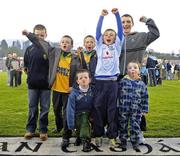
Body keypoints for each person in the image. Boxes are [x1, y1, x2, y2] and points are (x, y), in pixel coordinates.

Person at [91, 8, 123, 148]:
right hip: (99, 82)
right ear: (103, 38)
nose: (109, 36)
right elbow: (97, 31)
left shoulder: (117, 46)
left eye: (111, 34)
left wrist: (117, 15)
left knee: (112, 110)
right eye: (106, 34)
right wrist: (101, 17)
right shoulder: (99, 46)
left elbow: (120, 30)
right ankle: (98, 135)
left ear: (115, 38)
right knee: (97, 108)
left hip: (112, 83)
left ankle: (112, 136)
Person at [22, 24, 51, 141]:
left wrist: (29, 34)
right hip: (32, 84)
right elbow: (26, 66)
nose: (39, 37)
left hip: (46, 85)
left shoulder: (48, 47)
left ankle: (43, 130)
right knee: (32, 108)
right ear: (34, 35)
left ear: (46, 35)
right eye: (37, 35)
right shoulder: (29, 49)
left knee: (45, 108)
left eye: (42, 35)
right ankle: (30, 129)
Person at [118, 62, 149, 152]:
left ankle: (135, 142)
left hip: (136, 110)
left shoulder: (142, 84)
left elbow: (145, 97)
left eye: (135, 67)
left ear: (139, 70)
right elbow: (117, 94)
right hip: (123, 108)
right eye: (130, 68)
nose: (132, 69)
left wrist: (145, 109)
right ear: (127, 71)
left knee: (135, 125)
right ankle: (123, 141)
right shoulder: (122, 82)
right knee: (122, 125)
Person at [119, 14, 160, 78]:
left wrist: (147, 21)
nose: (125, 24)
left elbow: (155, 34)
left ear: (132, 24)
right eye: (123, 22)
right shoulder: (115, 39)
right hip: (117, 78)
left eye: (128, 22)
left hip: (135, 77)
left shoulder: (141, 37)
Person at [66, 69, 94, 152]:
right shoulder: (74, 94)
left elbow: (96, 106)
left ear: (90, 80)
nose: (83, 79)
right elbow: (70, 109)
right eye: (81, 78)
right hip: (77, 115)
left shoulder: (93, 91)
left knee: (84, 120)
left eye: (86, 77)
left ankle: (86, 141)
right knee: (80, 124)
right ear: (77, 81)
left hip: (89, 115)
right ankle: (79, 137)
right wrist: (71, 125)